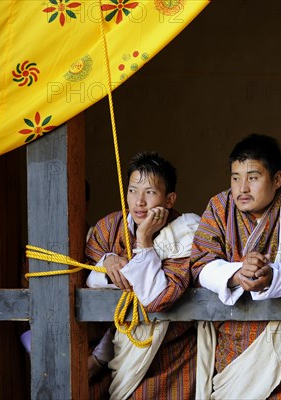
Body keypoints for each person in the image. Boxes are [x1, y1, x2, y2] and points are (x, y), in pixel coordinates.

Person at [190, 134, 281, 399]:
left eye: (253, 177)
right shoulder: (219, 207)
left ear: (277, 179)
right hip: (235, 350)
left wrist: (274, 276)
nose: (242, 188)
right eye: (235, 178)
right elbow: (200, 262)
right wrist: (236, 274)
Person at [85, 151, 200, 399]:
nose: (139, 201)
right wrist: (108, 262)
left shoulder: (185, 232)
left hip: (173, 356)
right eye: (133, 190)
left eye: (149, 192)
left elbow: (157, 299)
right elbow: (83, 270)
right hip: (119, 350)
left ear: (169, 199)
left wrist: (144, 239)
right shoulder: (110, 227)